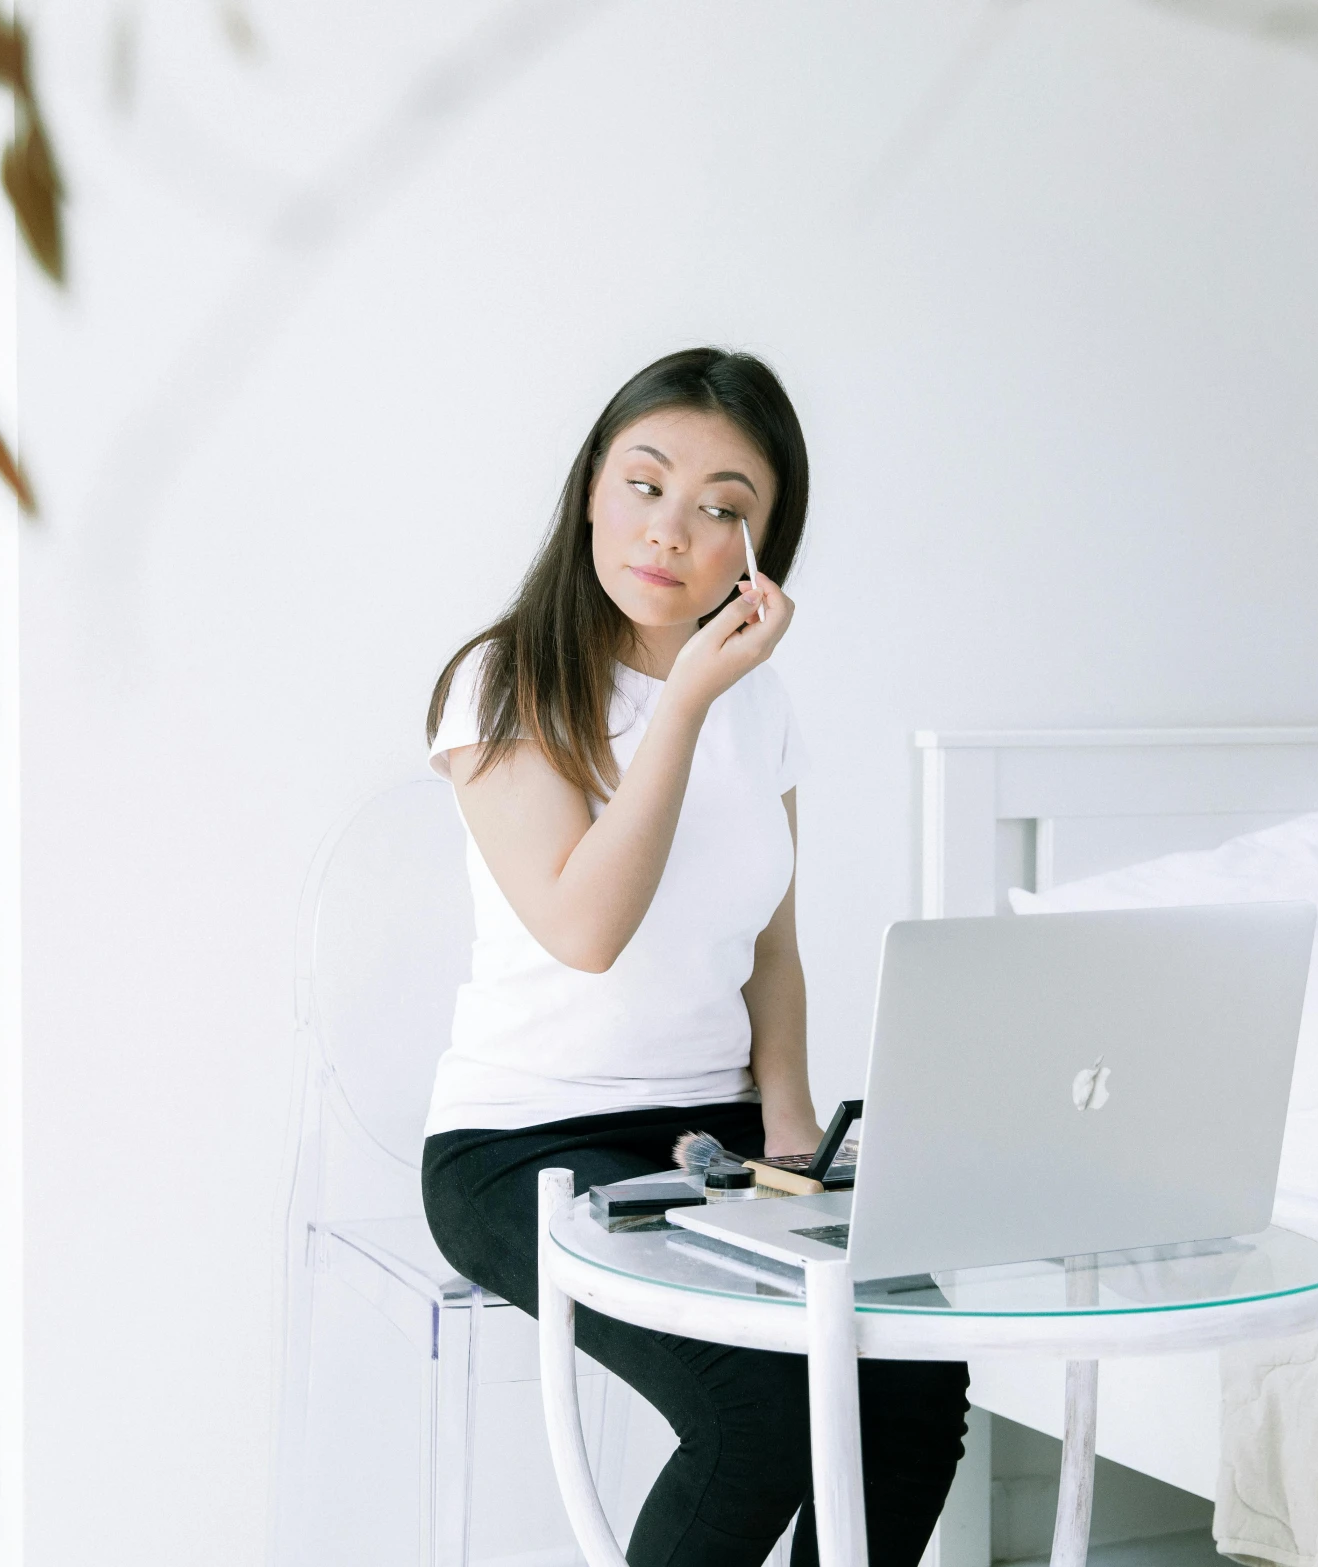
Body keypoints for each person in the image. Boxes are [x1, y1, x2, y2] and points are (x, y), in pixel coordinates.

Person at [419, 347, 969, 1567]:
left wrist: (793, 1131)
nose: (670, 530)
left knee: (914, 1379)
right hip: (524, 1145)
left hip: (713, 1138)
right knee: (758, 1411)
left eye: (722, 507)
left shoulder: (761, 706)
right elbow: (586, 930)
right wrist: (680, 707)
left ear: (760, 551)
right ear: (590, 492)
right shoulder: (502, 681)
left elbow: (771, 949)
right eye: (645, 483)